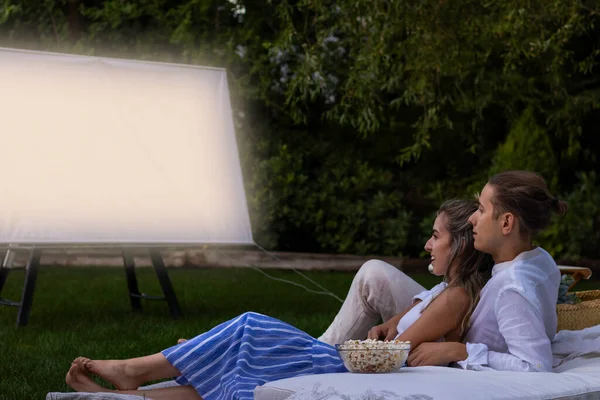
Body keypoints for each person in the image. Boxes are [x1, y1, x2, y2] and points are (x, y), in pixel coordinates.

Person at [64, 199, 493, 400]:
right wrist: (387, 324)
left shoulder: (455, 297)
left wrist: (388, 336)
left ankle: (134, 371)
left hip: (344, 364)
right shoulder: (442, 292)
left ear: (458, 245)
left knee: (251, 326)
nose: (427, 244)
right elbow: (396, 326)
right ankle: (123, 396)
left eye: (436, 236)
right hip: (350, 358)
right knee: (238, 364)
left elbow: (393, 351)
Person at [321, 170, 568, 372]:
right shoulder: (537, 258)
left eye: (481, 210)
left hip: (450, 346)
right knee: (374, 273)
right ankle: (321, 348)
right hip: (451, 322)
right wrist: (398, 320)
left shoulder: (513, 288)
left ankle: (320, 353)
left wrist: (459, 351)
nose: (472, 218)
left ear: (506, 223)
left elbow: (536, 367)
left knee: (375, 276)